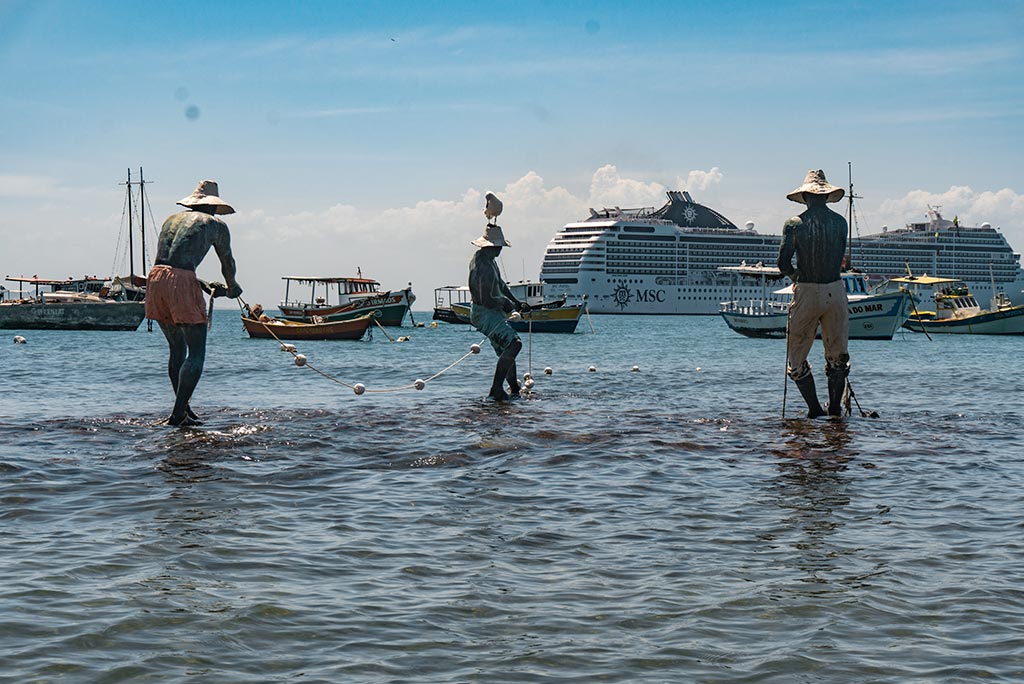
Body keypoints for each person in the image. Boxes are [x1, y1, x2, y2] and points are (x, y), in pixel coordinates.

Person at [146, 180, 243, 426]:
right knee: (196, 353)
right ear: (213, 206)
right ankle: (178, 414)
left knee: (176, 350)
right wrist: (232, 287)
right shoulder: (215, 224)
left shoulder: (171, 219)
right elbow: (227, 262)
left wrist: (198, 282)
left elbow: (173, 261)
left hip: (156, 279)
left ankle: (184, 409)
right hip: (181, 280)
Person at [777, 169, 850, 418]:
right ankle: (836, 410)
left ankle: (815, 410)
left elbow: (783, 263)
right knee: (837, 355)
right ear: (827, 196)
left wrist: (797, 278)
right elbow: (840, 257)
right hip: (836, 290)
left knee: (796, 358)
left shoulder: (794, 224)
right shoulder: (841, 223)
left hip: (807, 289)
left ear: (806, 196)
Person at [468, 221, 529, 401]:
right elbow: (486, 299)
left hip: (490, 312)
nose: (500, 250)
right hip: (483, 313)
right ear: (491, 246)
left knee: (506, 350)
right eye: (498, 246)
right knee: (514, 344)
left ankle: (514, 390)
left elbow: (501, 285)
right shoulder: (483, 266)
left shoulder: (488, 259)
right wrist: (504, 303)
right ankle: (496, 389)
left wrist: (516, 302)